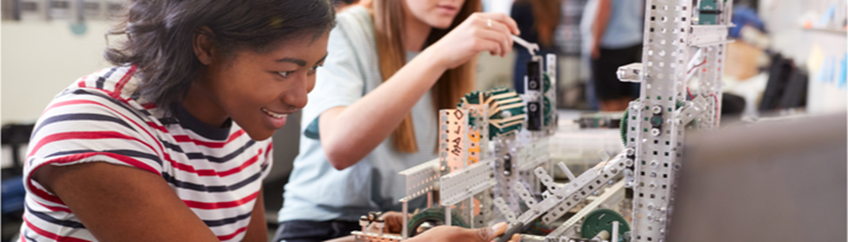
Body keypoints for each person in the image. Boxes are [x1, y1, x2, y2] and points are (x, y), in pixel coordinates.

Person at [18, 0, 335, 241]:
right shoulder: (94, 124)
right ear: (206, 46)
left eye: (314, 68)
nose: (301, 97)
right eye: (283, 72)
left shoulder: (242, 122)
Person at [275, 0, 522, 241]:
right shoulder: (342, 30)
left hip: (407, 224)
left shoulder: (449, 48)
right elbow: (339, 148)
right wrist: (437, 56)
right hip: (326, 227)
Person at [591, 0, 644, 111]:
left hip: (610, 43)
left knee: (609, 98)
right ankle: (623, 127)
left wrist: (595, 42)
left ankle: (611, 127)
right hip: (632, 39)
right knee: (626, 95)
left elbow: (603, 10)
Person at [511, 0, 560, 94]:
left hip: (525, 57)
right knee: (548, 98)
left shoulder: (520, 4)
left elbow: (513, 32)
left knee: (524, 100)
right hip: (549, 55)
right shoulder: (555, 3)